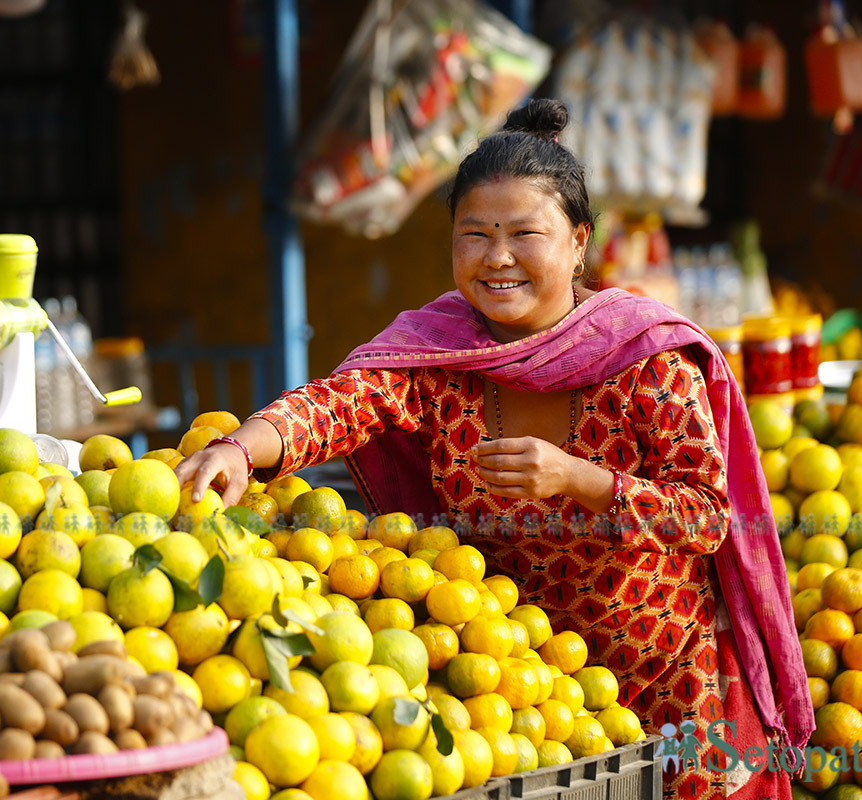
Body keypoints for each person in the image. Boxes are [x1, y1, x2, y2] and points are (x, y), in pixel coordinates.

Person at [175, 99, 810, 800]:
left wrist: (581, 479)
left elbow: (707, 518)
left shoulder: (646, 360)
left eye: (523, 234)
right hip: (512, 700)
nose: (496, 257)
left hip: (669, 686)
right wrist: (244, 447)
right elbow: (340, 402)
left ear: (578, 241)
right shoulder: (437, 357)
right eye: (473, 234)